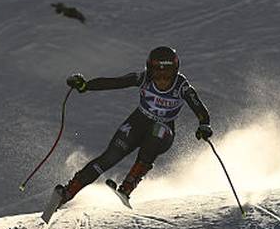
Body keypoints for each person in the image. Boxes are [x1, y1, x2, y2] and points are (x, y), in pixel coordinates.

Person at [54, 46, 212, 207]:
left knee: (157, 133)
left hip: (164, 129)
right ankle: (69, 191)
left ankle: (128, 185)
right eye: (158, 73)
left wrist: (204, 124)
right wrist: (86, 86)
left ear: (176, 71)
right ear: (150, 71)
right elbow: (116, 82)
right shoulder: (143, 79)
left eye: (168, 74)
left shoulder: (181, 86)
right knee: (109, 157)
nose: (163, 80)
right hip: (138, 122)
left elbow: (198, 106)